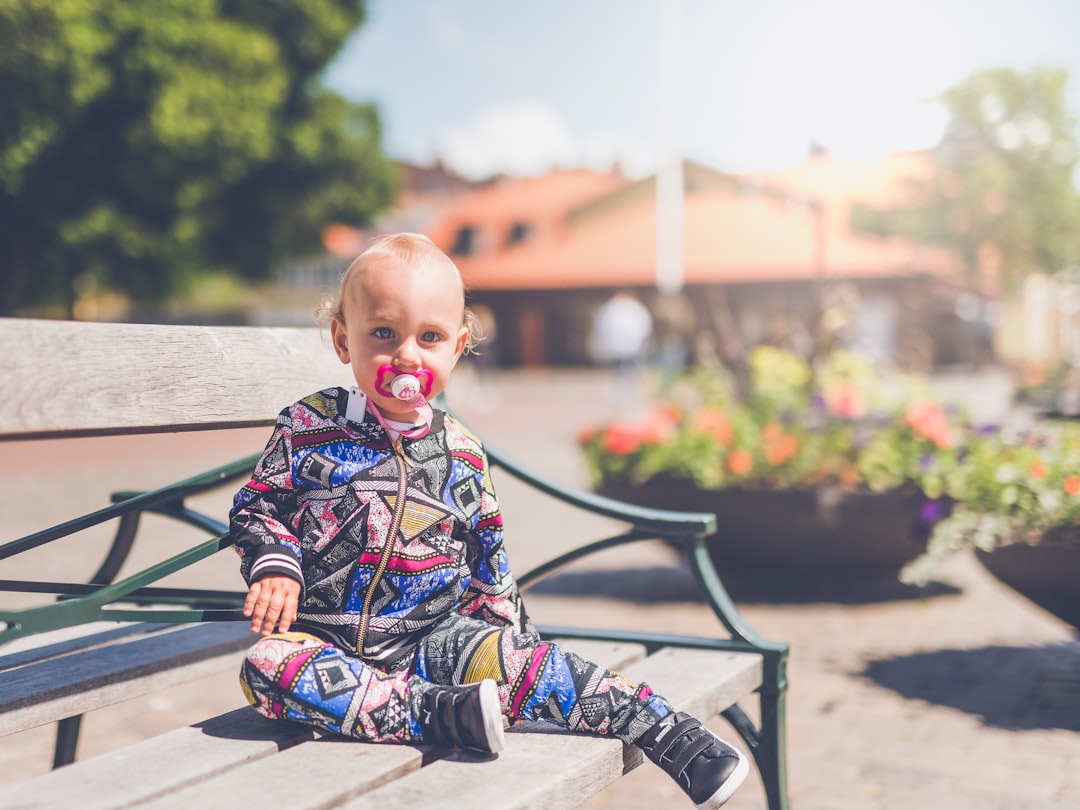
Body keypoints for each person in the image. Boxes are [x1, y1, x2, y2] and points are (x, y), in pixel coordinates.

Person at [230, 233, 749, 808]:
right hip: (328, 643)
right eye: (384, 333)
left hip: (435, 640)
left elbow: (488, 561)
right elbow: (257, 503)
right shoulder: (310, 425)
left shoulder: (463, 451)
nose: (406, 355)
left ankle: (671, 736)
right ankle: (436, 715)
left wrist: (511, 649)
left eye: (428, 338)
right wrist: (276, 564)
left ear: (457, 347)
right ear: (342, 339)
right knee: (266, 667)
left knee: (537, 663)